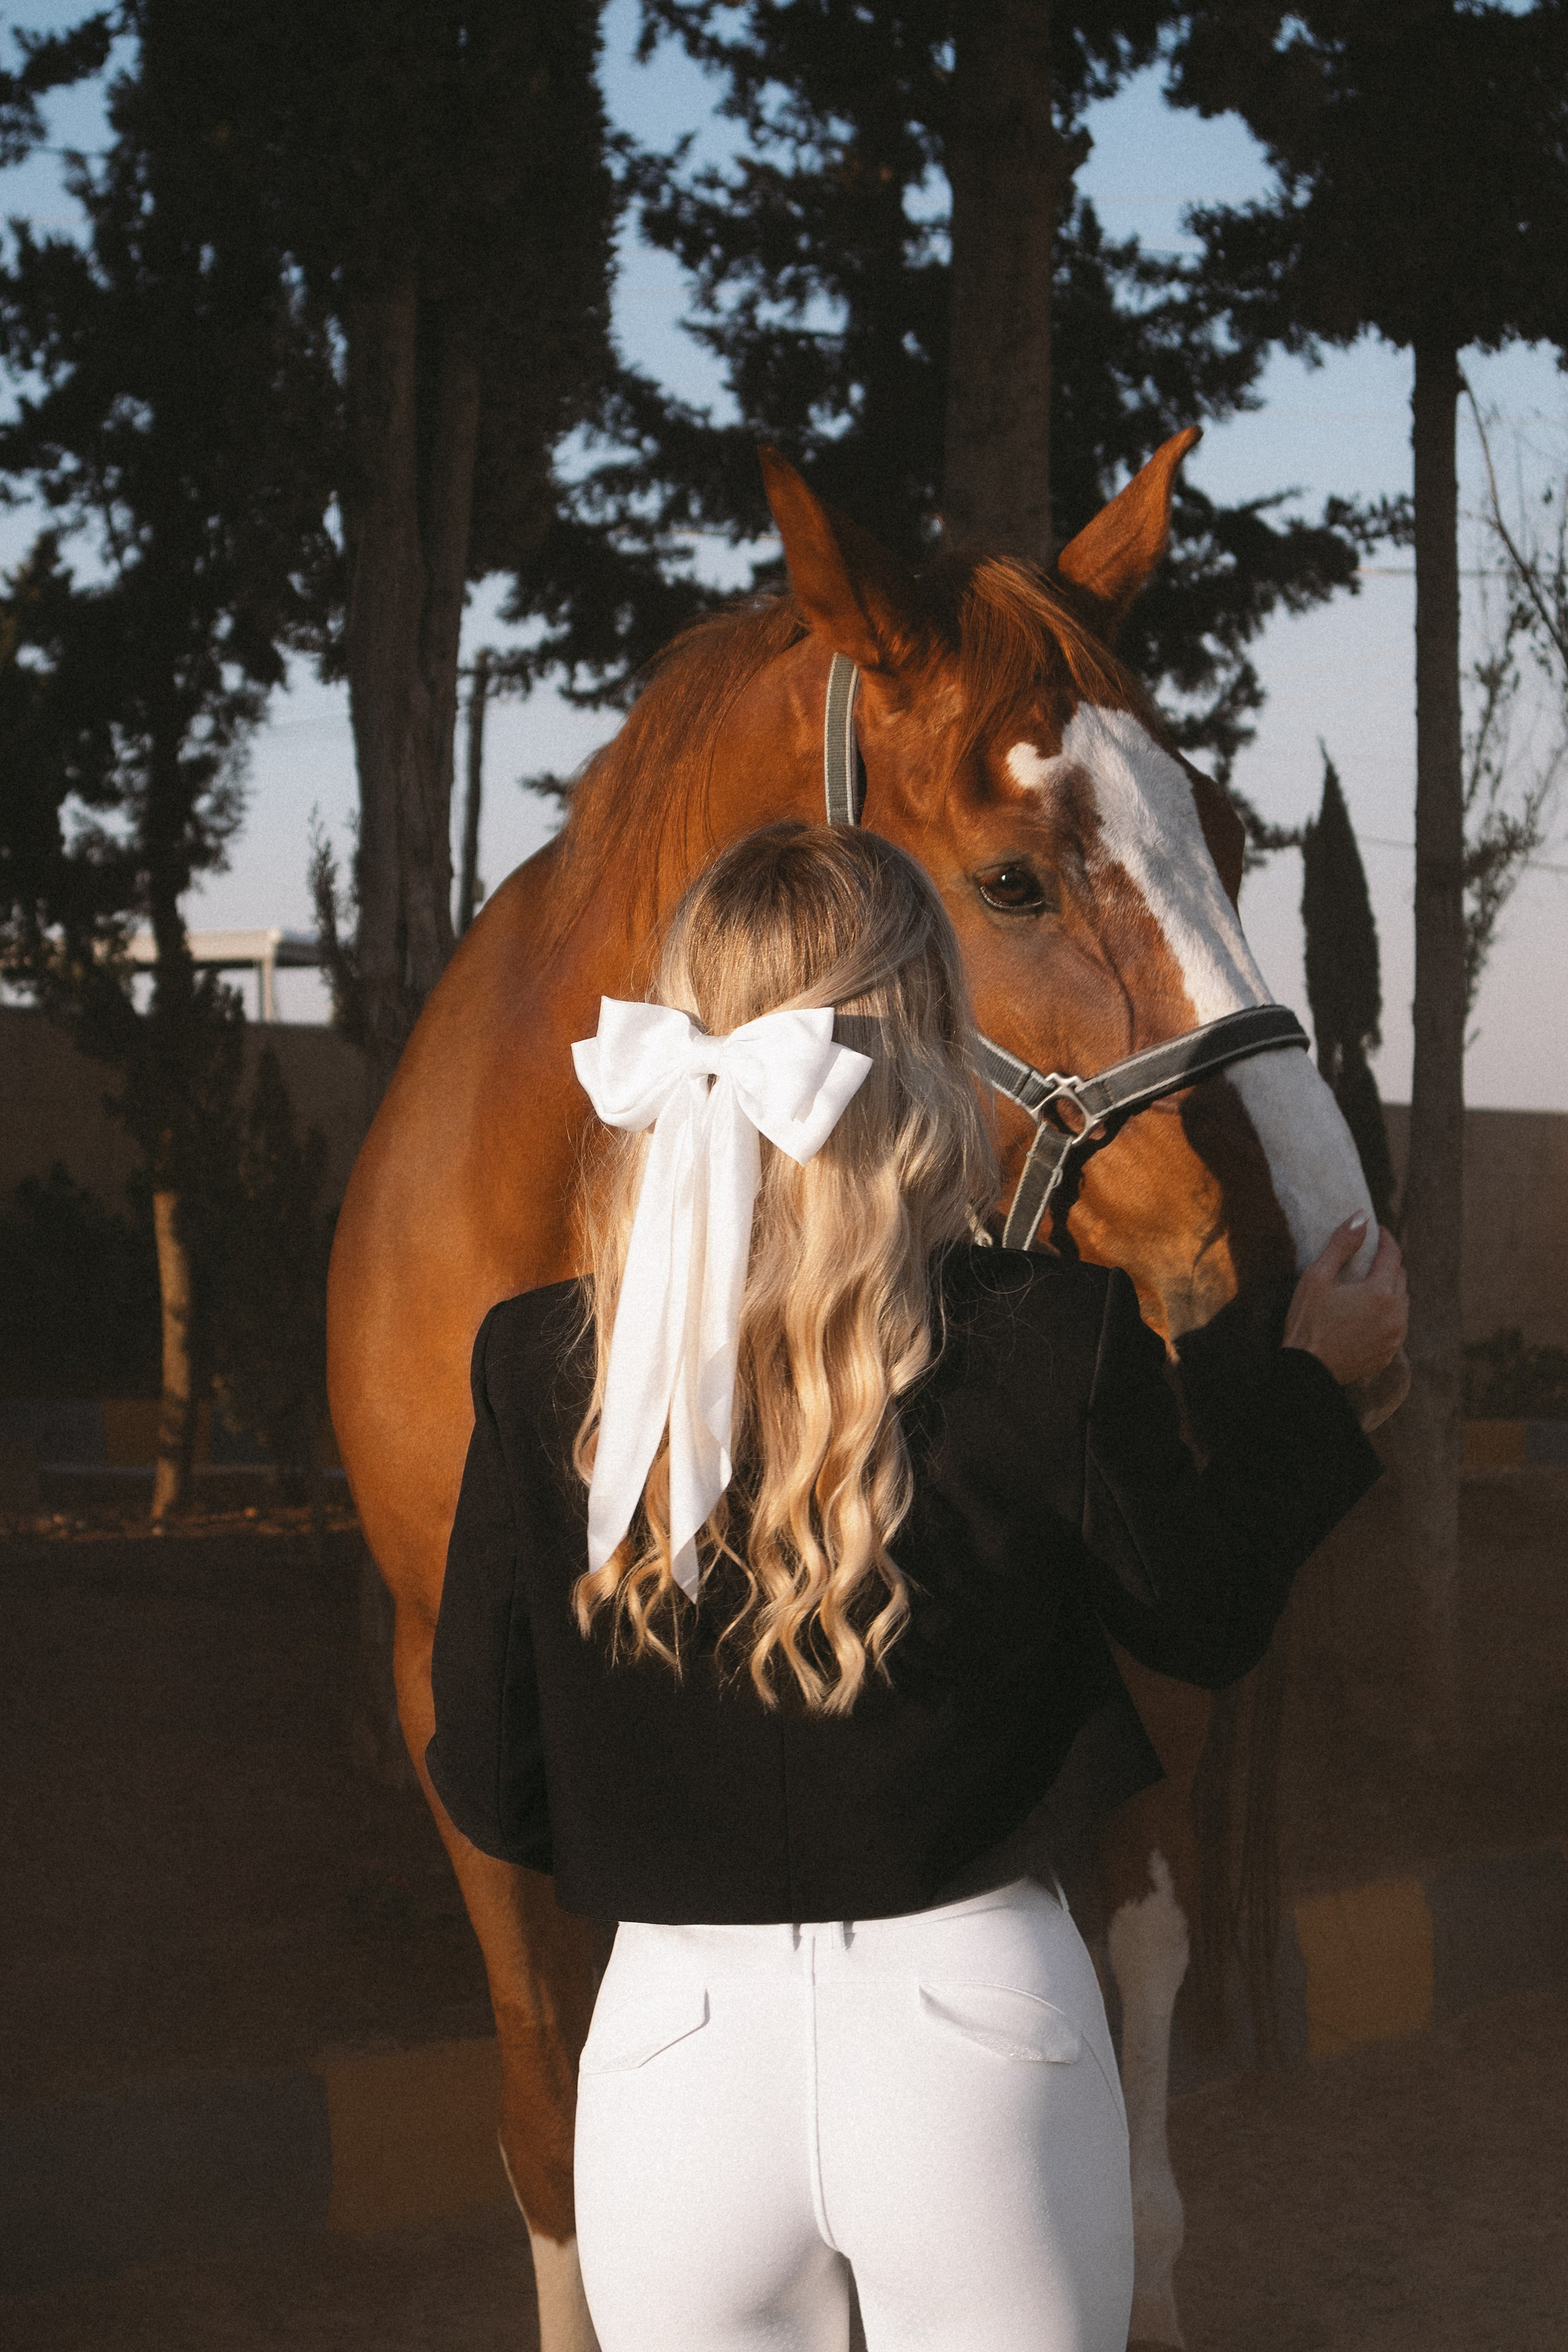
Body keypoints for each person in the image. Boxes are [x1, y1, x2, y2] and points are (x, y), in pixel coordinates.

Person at [426, 822, 1406, 2352]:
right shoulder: (1051, 1335)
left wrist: (683, 1818)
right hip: (975, 2034)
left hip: (669, 2064)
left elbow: (491, 1781)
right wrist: (1309, 1393)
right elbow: (1201, 1616)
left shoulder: (535, 1367)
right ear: (923, 1042)